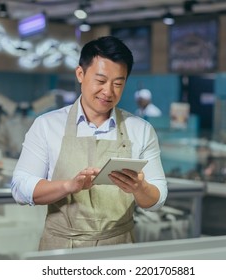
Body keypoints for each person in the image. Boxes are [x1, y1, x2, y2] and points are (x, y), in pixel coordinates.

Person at [11, 35, 168, 250]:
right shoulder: (47, 125)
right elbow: (20, 187)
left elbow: (157, 197)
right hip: (61, 249)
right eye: (101, 81)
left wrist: (140, 188)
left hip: (119, 249)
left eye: (118, 83)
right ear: (80, 74)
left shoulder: (140, 130)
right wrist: (68, 186)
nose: (108, 91)